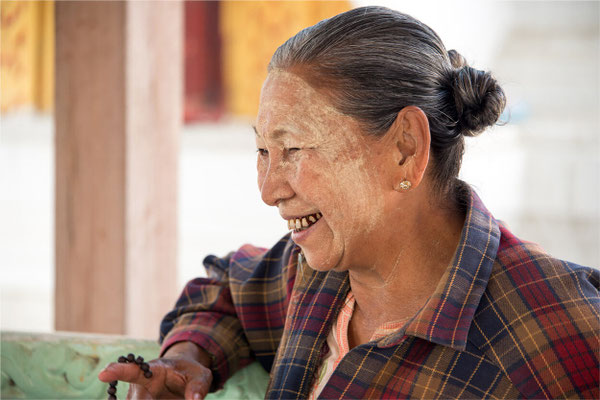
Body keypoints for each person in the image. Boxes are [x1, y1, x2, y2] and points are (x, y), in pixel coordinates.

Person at [99, 6, 599, 399]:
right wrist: (190, 356)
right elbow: (224, 289)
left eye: (293, 149)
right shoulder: (316, 277)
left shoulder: (556, 339)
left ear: (405, 148)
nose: (269, 189)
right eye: (262, 151)